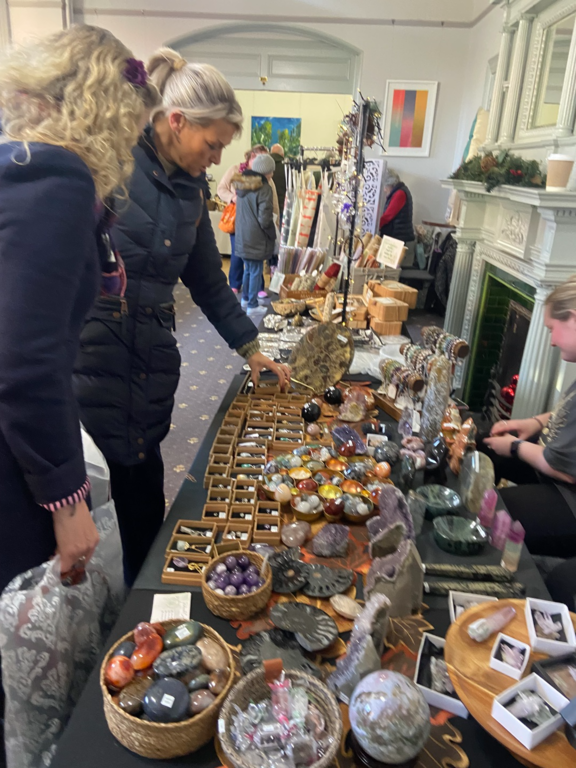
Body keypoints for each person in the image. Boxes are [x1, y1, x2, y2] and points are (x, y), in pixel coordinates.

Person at [74, 49, 290, 585]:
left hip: (148, 366)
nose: (217, 159)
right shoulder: (109, 161)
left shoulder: (192, 190)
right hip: (88, 363)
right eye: (212, 144)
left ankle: (139, 610)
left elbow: (208, 281)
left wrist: (250, 347)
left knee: (144, 508)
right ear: (177, 121)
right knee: (84, 510)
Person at [0, 26, 158, 594]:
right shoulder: (58, 180)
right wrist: (67, 500)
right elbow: (25, 363)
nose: (128, 152)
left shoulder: (18, 166)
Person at [482, 276, 576, 605]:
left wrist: (516, 447)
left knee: (497, 513)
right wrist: (532, 422)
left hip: (569, 494)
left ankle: (496, 582)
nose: (551, 341)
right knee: (485, 442)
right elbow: (567, 413)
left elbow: (563, 470)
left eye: (552, 329)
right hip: (557, 466)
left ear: (573, 318)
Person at [218, 144, 270, 297]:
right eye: (262, 158)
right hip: (238, 219)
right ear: (252, 156)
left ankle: (257, 287)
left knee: (256, 255)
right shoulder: (235, 170)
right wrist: (232, 198)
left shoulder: (264, 175)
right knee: (237, 253)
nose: (264, 162)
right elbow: (221, 189)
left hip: (257, 222)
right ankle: (235, 283)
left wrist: (274, 219)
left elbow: (271, 198)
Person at [234, 153, 277, 314]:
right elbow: (264, 218)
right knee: (255, 271)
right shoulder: (264, 188)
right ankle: (252, 305)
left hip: (242, 234)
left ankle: (245, 299)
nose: (272, 174)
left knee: (248, 269)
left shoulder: (242, 184)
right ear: (266, 172)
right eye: (271, 171)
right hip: (256, 236)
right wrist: (273, 233)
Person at [379, 169, 416, 266]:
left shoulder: (399, 194)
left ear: (390, 184)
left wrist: (375, 225)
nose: (384, 190)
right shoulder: (401, 191)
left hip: (398, 239)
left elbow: (388, 216)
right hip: (400, 237)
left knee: (390, 270)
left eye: (385, 186)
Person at [270, 142, 286, 221]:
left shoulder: (266, 168)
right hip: (283, 206)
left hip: (269, 207)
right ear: (282, 155)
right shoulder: (286, 168)